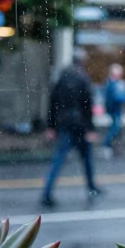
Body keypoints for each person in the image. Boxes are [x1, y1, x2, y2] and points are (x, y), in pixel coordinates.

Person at [42, 48, 102, 207]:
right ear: (82, 61)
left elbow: (52, 102)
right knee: (86, 158)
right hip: (80, 124)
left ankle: (47, 193)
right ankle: (92, 187)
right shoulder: (83, 78)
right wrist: (90, 129)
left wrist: (51, 126)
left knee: (58, 160)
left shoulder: (61, 76)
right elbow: (87, 106)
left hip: (64, 123)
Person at [102, 63, 125, 155]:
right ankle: (107, 145)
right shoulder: (111, 84)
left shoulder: (119, 84)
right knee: (115, 127)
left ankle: (116, 146)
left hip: (117, 110)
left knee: (117, 128)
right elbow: (115, 97)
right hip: (113, 110)